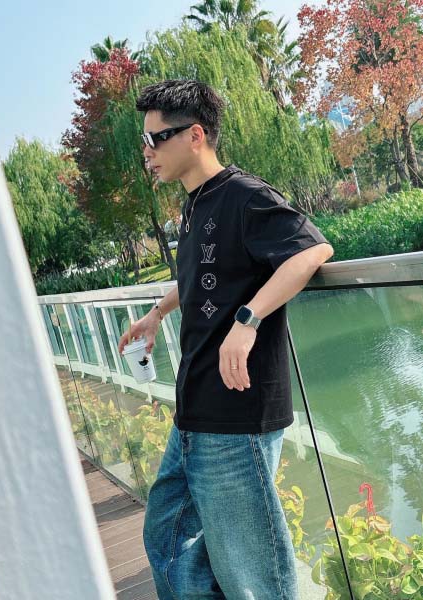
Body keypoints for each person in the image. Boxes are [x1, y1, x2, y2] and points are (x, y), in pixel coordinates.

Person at [118, 79, 333, 600]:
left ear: (195, 136)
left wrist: (247, 320)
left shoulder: (244, 195)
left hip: (237, 413)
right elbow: (198, 274)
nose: (146, 152)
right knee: (167, 538)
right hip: (196, 407)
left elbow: (311, 251)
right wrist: (157, 313)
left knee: (251, 574)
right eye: (145, 141)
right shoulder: (195, 205)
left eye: (155, 139)